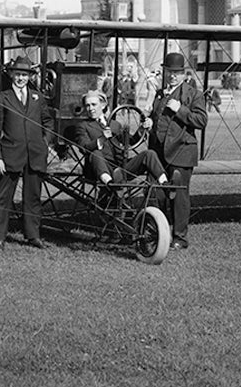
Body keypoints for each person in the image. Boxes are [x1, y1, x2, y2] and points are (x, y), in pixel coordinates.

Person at [0, 56, 56, 251]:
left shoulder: (37, 97)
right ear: (11, 75)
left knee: (33, 196)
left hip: (35, 155)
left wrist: (44, 143)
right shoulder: (3, 97)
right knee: (3, 197)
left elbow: (48, 122)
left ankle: (33, 235)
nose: (21, 78)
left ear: (29, 77)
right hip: (10, 156)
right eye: (17, 74)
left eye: (24, 75)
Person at [148, 52, 208, 250]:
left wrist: (180, 109)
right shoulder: (159, 94)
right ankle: (160, 232)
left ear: (184, 74)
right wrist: (149, 121)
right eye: (169, 72)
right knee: (159, 194)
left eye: (177, 72)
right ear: (165, 72)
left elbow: (201, 120)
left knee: (179, 195)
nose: (173, 75)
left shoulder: (193, 94)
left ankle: (180, 237)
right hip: (158, 152)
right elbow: (156, 117)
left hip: (181, 152)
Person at [73, 90, 169, 189]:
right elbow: (84, 148)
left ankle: (166, 184)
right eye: (87, 105)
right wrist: (102, 139)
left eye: (94, 104)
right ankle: (111, 184)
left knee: (149, 154)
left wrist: (142, 128)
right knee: (95, 153)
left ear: (103, 105)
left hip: (121, 168)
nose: (90, 108)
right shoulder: (83, 126)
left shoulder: (114, 124)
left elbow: (130, 141)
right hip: (99, 169)